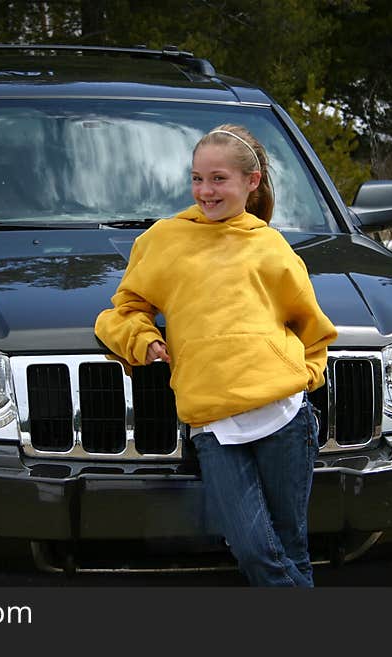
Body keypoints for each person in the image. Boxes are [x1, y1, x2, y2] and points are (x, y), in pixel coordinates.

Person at [94, 123, 338, 586]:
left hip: (284, 417)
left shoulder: (271, 246)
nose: (205, 190)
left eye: (218, 179)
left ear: (252, 181)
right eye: (197, 178)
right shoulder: (165, 240)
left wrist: (304, 376)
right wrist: (143, 340)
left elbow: (312, 328)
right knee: (253, 550)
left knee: (290, 547)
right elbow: (120, 313)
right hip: (213, 424)